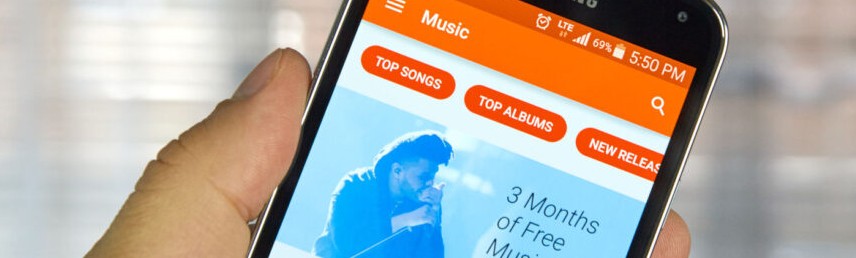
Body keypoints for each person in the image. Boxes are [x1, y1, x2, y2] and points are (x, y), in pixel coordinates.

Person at [84, 49, 691, 258]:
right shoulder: (356, 189)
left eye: (434, 176)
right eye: (421, 173)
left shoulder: (424, 208)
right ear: (396, 166)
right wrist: (410, 226)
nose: (427, 182)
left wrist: (430, 223)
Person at [313, 131, 453, 257]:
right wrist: (405, 220)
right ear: (397, 171)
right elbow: (347, 246)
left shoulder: (423, 204)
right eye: (423, 177)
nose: (430, 183)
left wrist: (434, 215)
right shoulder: (355, 184)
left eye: (433, 177)